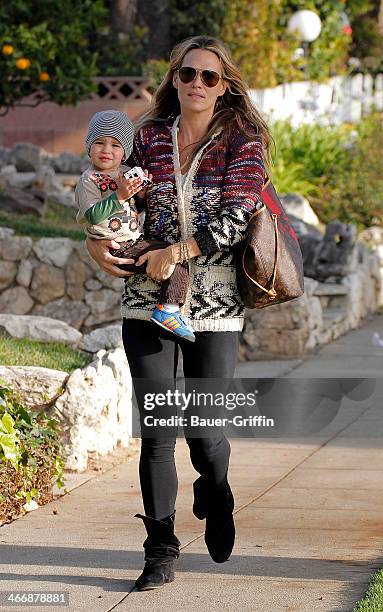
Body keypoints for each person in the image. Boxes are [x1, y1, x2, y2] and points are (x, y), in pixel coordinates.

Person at [86, 35, 272, 591]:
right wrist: (97, 239)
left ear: (225, 85)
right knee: (159, 432)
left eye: (208, 77)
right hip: (147, 297)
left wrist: (181, 251)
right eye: (187, 74)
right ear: (174, 80)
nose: (195, 84)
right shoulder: (144, 139)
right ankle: (159, 549)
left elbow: (238, 217)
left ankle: (216, 491)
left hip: (214, 302)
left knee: (205, 431)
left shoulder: (244, 139)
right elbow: (116, 197)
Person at [76, 109, 195, 342]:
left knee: (173, 255)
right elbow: (92, 216)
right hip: (116, 246)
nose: (106, 150)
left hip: (133, 239)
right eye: (99, 143)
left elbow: (134, 208)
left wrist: (140, 193)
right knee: (177, 263)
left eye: (115, 145)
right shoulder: (88, 180)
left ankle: (168, 308)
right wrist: (119, 195)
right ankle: (167, 311)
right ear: (89, 146)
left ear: (125, 152)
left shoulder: (124, 173)